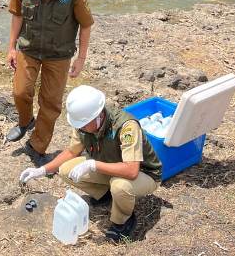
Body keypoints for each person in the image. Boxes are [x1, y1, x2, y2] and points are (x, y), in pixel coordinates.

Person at [19, 85, 162, 242]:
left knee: (120, 185)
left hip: (144, 174)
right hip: (109, 165)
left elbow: (131, 171)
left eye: (85, 124)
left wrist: (94, 165)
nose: (82, 128)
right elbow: (72, 152)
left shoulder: (126, 127)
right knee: (66, 169)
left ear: (99, 115)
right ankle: (106, 195)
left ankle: (123, 221)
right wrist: (42, 170)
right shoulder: (83, 124)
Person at [5, 0, 94, 163]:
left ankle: (37, 145)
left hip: (59, 55)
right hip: (29, 48)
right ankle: (25, 121)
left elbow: (86, 25)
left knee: (51, 103)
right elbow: (17, 16)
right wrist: (11, 47)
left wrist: (81, 58)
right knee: (20, 92)